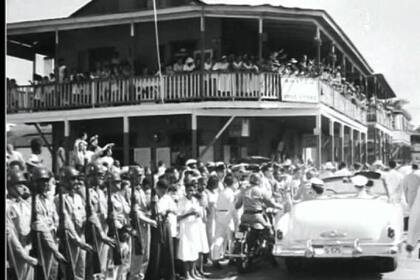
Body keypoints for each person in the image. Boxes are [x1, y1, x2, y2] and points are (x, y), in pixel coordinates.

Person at [58, 166, 94, 280]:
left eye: (77, 178)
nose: (76, 182)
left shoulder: (78, 197)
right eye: (73, 179)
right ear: (64, 180)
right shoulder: (60, 199)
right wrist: (78, 242)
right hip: (69, 241)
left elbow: (83, 216)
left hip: (81, 237)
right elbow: (67, 223)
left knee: (80, 272)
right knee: (70, 274)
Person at [7, 170, 37, 280]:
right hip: (15, 252)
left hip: (28, 247)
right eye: (19, 184)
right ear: (10, 186)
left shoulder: (25, 204)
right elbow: (11, 236)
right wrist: (24, 256)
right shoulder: (8, 206)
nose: (23, 187)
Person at [146, 178, 176, 280]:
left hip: (165, 224)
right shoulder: (151, 197)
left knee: (168, 250)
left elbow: (175, 209)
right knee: (156, 252)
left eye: (165, 191)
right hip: (155, 226)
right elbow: (147, 211)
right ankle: (154, 276)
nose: (163, 193)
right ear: (157, 188)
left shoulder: (167, 198)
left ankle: (169, 276)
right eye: (162, 191)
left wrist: (167, 211)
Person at [210, 173, 239, 265]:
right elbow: (232, 208)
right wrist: (236, 220)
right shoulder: (231, 193)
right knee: (231, 238)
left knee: (219, 237)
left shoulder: (221, 192)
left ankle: (215, 258)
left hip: (219, 214)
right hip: (228, 215)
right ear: (233, 183)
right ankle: (232, 257)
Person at [177, 180, 202, 280]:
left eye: (192, 190)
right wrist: (189, 213)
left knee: (194, 250)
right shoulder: (181, 201)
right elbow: (178, 217)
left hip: (194, 227)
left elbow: (199, 212)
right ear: (186, 191)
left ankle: (193, 272)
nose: (191, 192)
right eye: (189, 190)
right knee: (186, 251)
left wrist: (197, 214)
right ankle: (187, 274)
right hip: (185, 228)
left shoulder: (195, 200)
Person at [402, 163, 420, 231]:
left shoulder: (407, 176)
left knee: (412, 212)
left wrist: (406, 198)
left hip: (410, 197)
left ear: (412, 168)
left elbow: (404, 188)